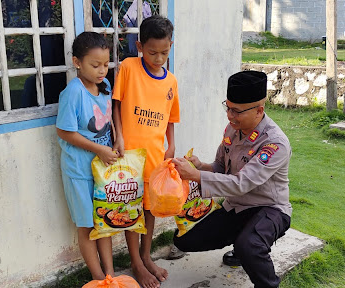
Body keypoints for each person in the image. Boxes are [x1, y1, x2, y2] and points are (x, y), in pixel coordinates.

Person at [171, 71, 293, 288]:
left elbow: (240, 183)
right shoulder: (233, 129)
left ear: (259, 110)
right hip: (236, 206)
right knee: (184, 240)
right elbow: (221, 167)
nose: (229, 115)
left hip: (269, 208)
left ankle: (259, 267)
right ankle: (244, 242)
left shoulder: (274, 144)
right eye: (227, 107)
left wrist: (197, 176)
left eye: (236, 111)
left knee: (250, 245)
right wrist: (201, 166)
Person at [112, 15, 179, 288]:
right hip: (129, 156)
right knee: (131, 209)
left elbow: (170, 118)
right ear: (139, 46)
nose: (159, 58)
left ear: (171, 45)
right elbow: (116, 104)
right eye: (152, 52)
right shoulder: (128, 68)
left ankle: (146, 255)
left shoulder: (171, 81)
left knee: (149, 210)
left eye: (165, 52)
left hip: (155, 157)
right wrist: (119, 137)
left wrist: (171, 144)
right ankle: (136, 264)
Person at [55, 32, 118, 281]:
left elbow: (109, 118)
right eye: (95, 65)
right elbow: (64, 131)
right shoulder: (73, 92)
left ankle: (111, 276)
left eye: (106, 64)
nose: (102, 70)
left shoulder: (105, 87)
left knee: (104, 222)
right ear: (77, 62)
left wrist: (117, 140)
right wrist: (99, 149)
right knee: (88, 226)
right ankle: (97, 278)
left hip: (101, 171)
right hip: (79, 172)